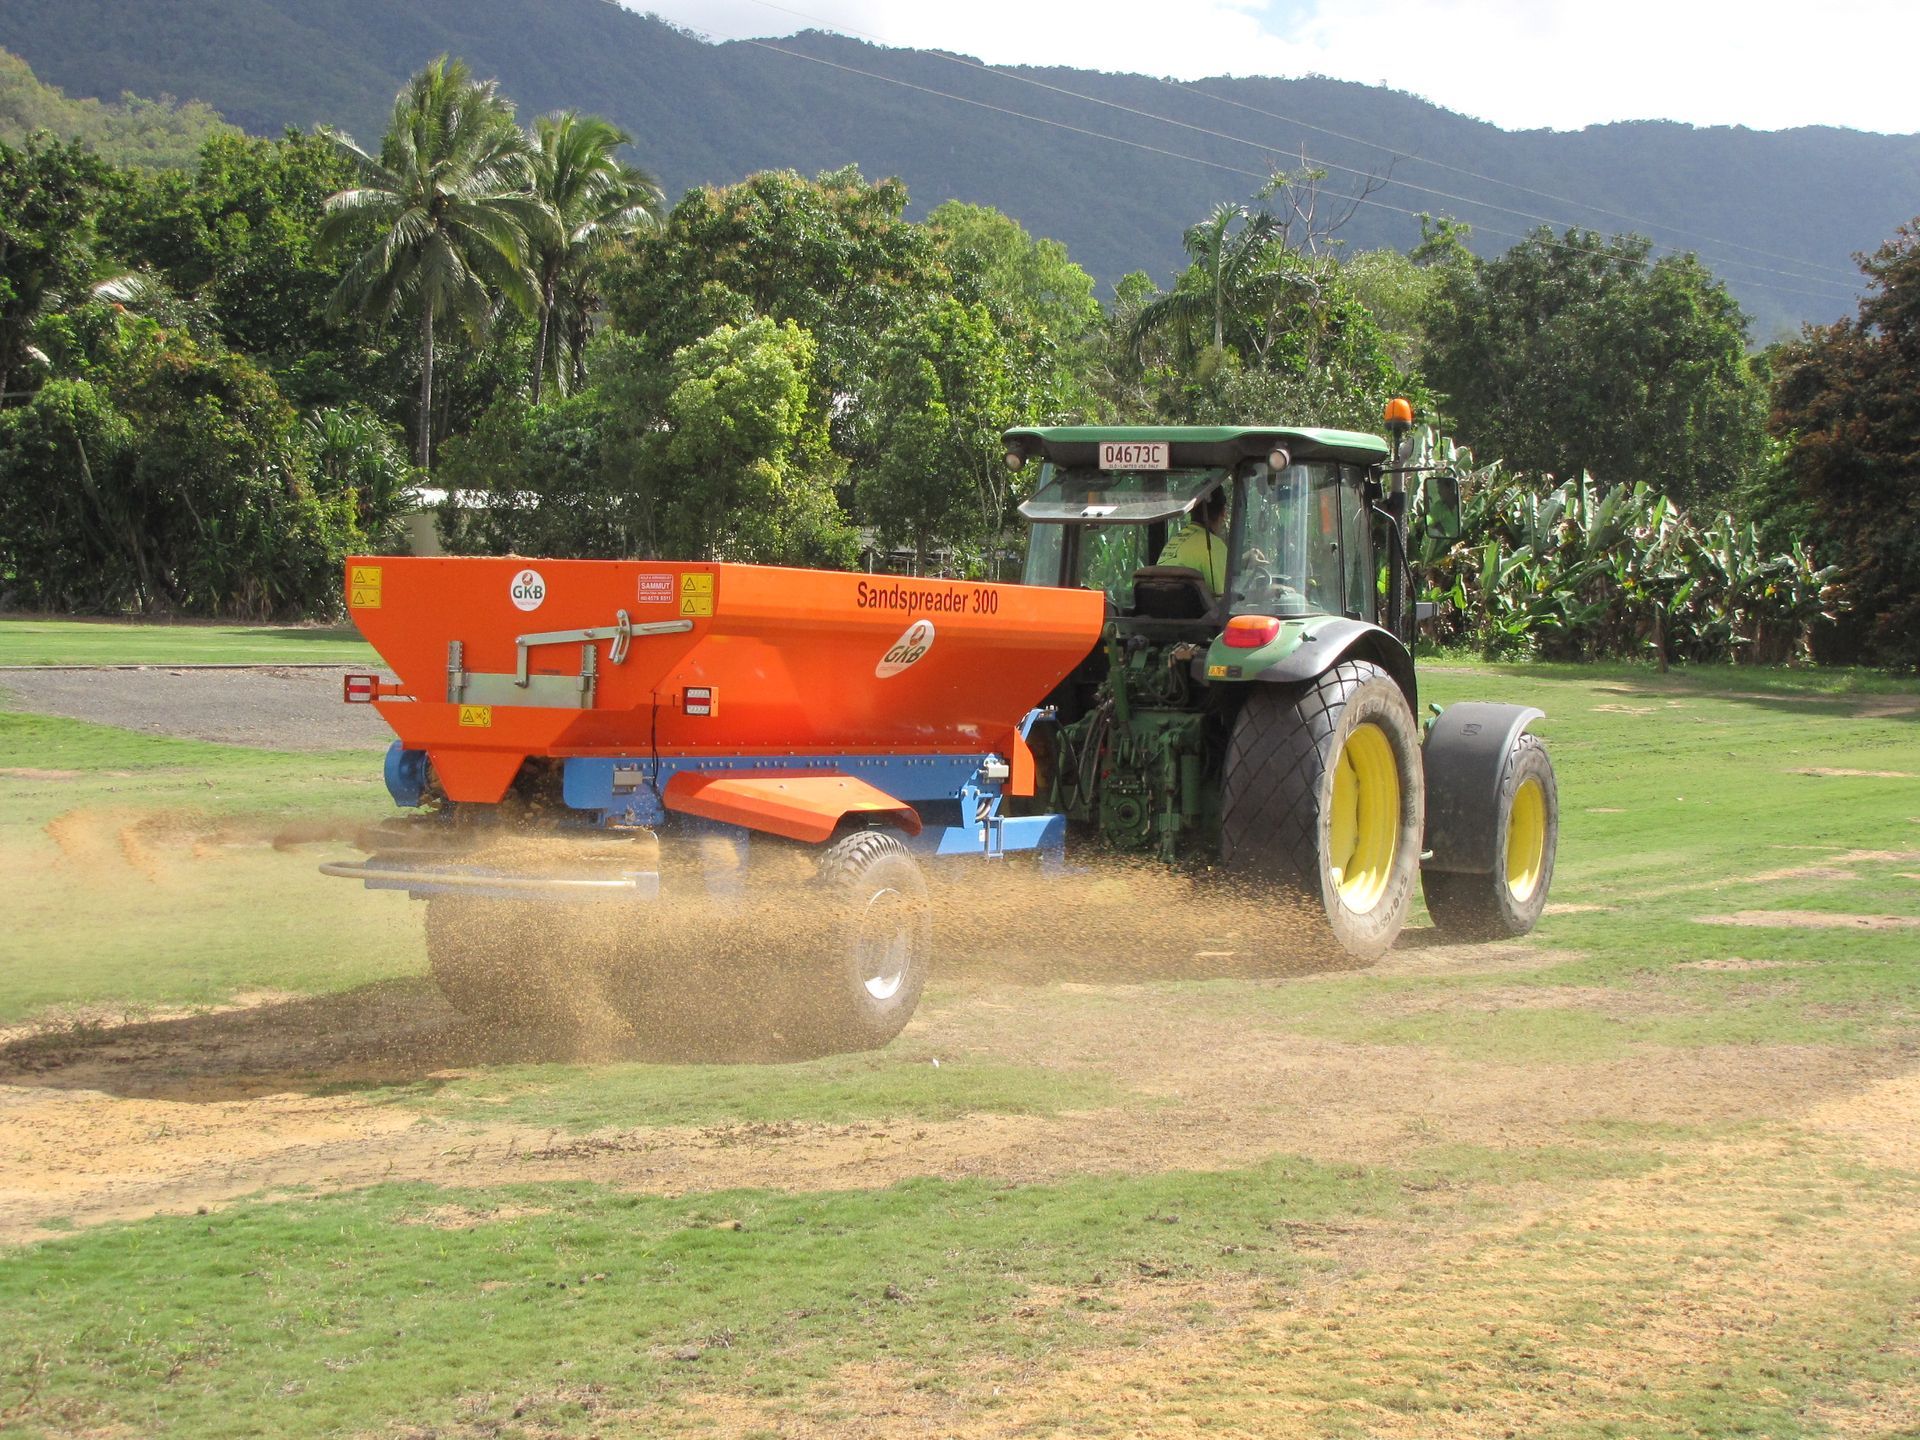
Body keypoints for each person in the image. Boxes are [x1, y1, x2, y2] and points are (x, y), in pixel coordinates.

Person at [1157, 486, 1228, 594]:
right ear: (1223, 512)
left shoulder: (1175, 541)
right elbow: (1223, 599)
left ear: (1190, 510)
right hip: (1196, 611)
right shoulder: (1214, 547)